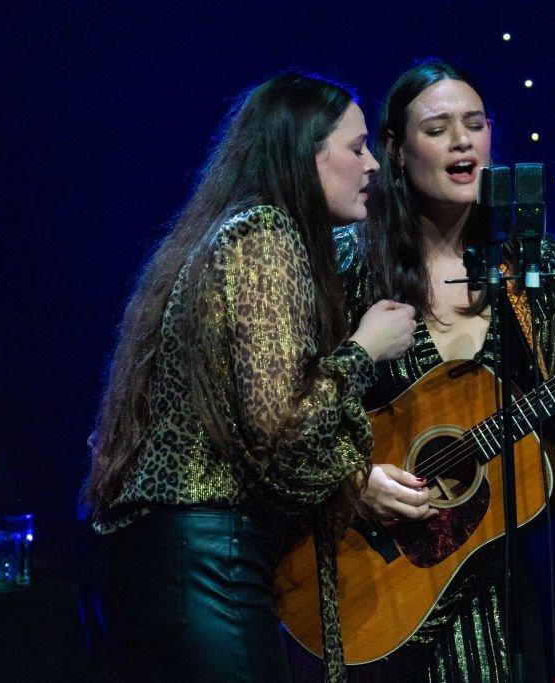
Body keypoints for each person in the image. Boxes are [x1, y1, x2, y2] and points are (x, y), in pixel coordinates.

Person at [328, 60, 555, 681]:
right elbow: (286, 417)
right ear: (396, 152)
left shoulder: (538, 278)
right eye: (438, 128)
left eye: (476, 124)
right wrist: (352, 479)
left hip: (499, 602)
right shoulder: (347, 265)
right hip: (369, 588)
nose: (463, 141)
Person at [79, 72, 417, 682]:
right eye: (356, 146)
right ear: (303, 152)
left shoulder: (231, 232)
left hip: (160, 564)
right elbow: (281, 428)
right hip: (201, 564)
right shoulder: (263, 235)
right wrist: (364, 349)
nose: (371, 165)